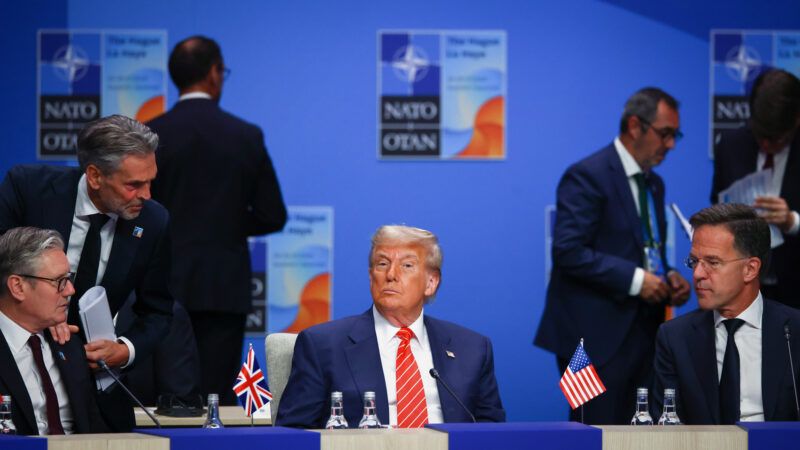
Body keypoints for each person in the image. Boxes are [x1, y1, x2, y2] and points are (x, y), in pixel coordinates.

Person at [0, 114, 174, 431]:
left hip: (95, 387)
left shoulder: (153, 222)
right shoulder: (29, 189)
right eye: (134, 185)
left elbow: (159, 311)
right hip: (19, 369)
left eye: (151, 181)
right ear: (94, 176)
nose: (146, 195)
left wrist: (125, 350)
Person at [534, 87, 691, 424]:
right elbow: (568, 251)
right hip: (586, 340)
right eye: (665, 134)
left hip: (645, 334)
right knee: (590, 428)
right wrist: (637, 280)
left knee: (643, 432)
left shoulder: (655, 183)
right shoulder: (587, 175)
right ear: (635, 125)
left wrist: (669, 275)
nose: (671, 144)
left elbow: (647, 248)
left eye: (675, 135)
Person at [147, 35, 287, 405]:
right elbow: (274, 214)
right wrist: (225, 225)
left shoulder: (149, 135)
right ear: (214, 74)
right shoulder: (245, 135)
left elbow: (135, 208)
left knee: (162, 398)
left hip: (160, 287)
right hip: (223, 288)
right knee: (215, 400)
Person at [275, 225, 505, 428]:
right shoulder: (322, 346)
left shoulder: (472, 349)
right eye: (382, 263)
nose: (391, 274)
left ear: (431, 282)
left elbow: (492, 432)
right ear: (370, 276)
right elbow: (293, 433)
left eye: (407, 265)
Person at [653, 203, 800, 424]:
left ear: (750, 269)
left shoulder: (795, 331)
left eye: (712, 262)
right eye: (694, 262)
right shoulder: (675, 337)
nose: (698, 274)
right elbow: (665, 426)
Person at [0, 227, 107, 435]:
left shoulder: (69, 345)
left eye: (69, 278)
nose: (70, 290)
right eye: (59, 281)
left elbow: (94, 430)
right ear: (18, 287)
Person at [711, 69, 800, 309]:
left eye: (776, 139)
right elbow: (715, 205)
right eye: (761, 136)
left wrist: (792, 221)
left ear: (796, 120)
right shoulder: (731, 145)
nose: (767, 144)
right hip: (741, 290)